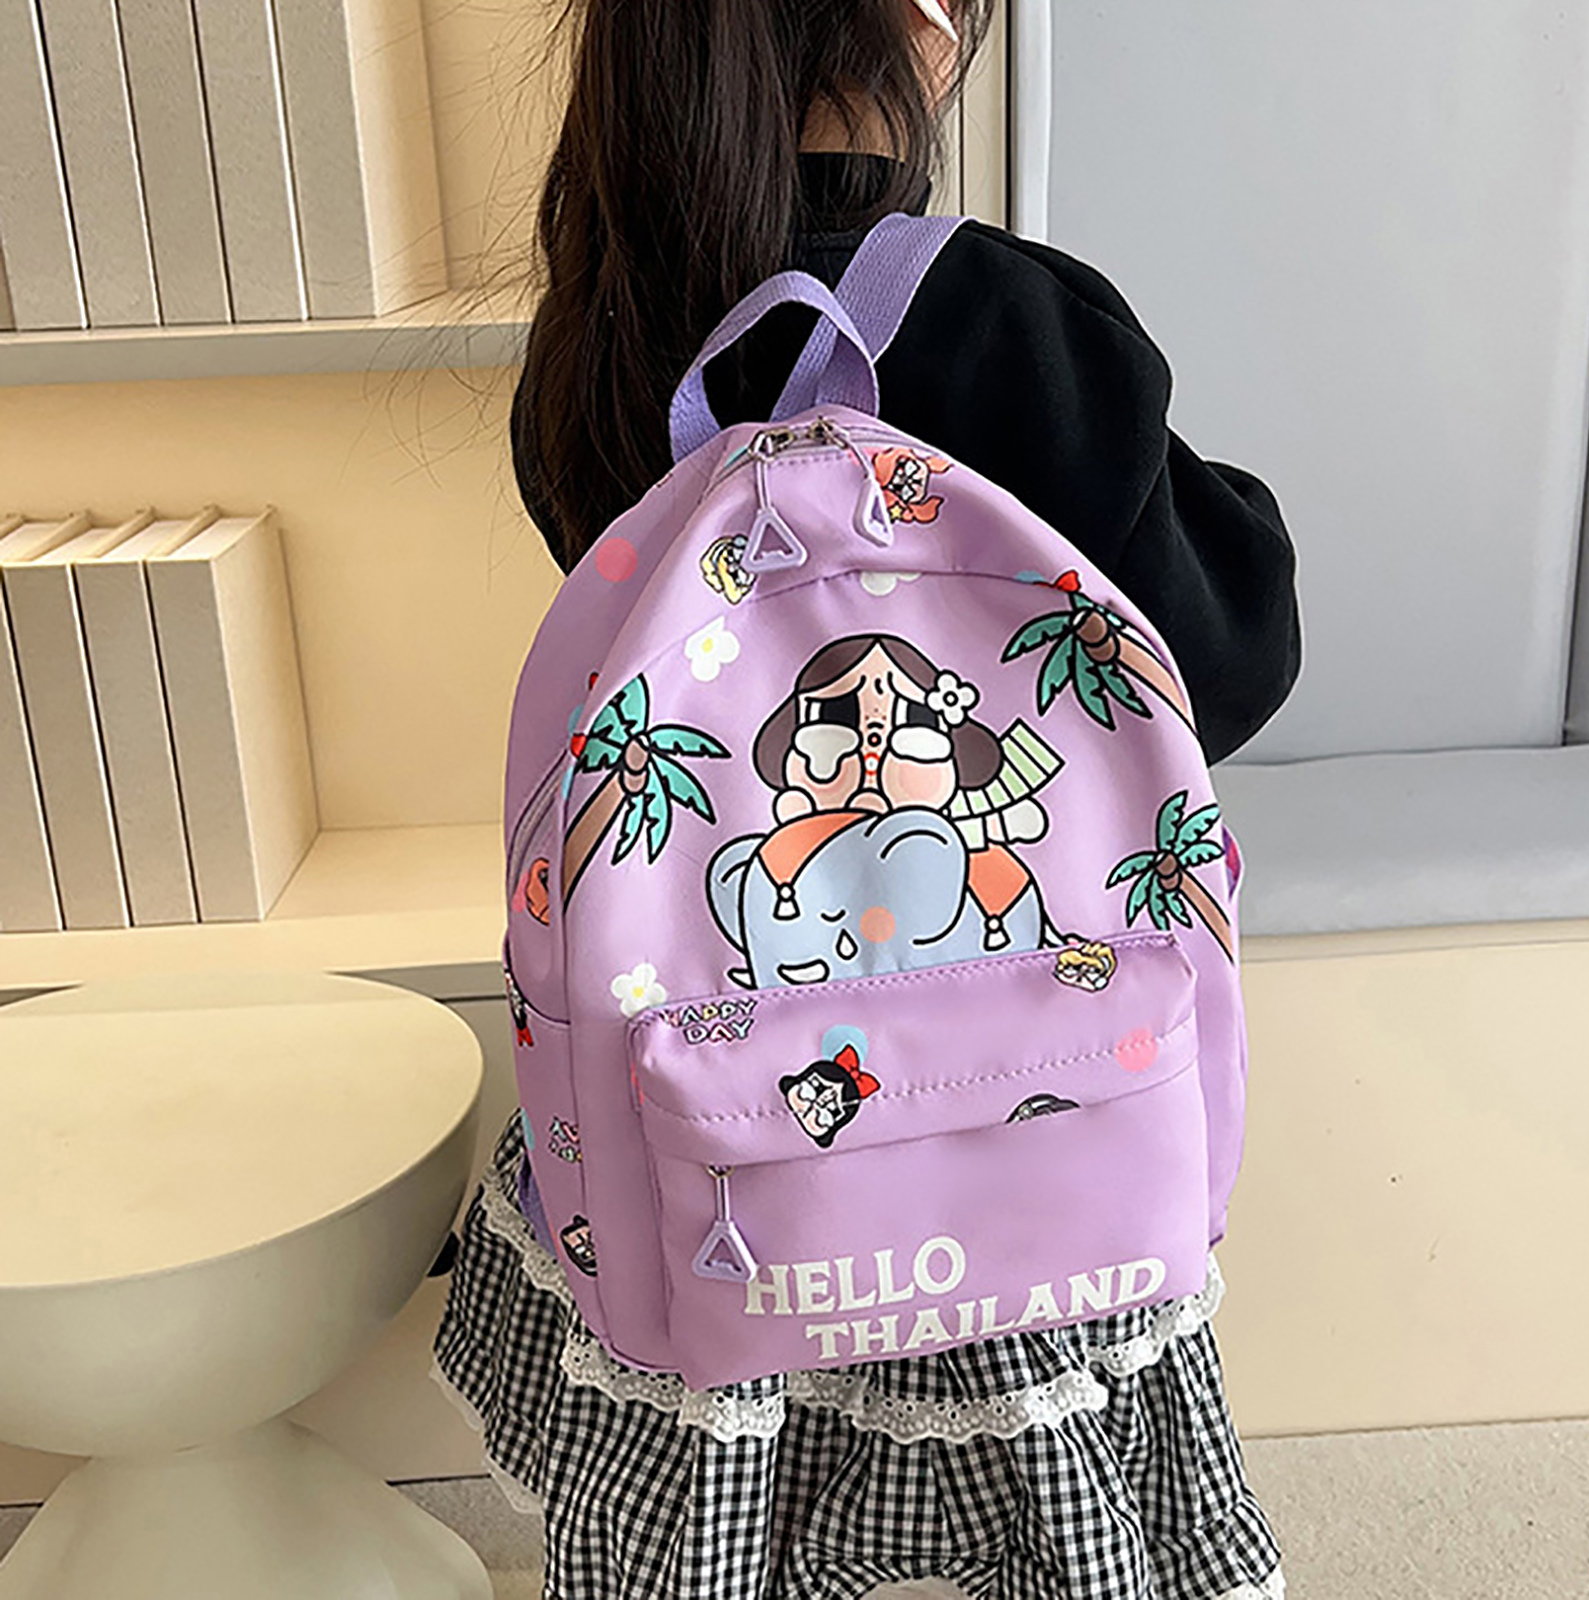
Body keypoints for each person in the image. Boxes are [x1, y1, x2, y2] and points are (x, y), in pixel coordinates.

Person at [431, 2, 1300, 1596]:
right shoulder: (1015, 321)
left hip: (707, 1142)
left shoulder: (607, 321)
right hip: (1022, 1130)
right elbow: (1225, 661)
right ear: (920, 19)